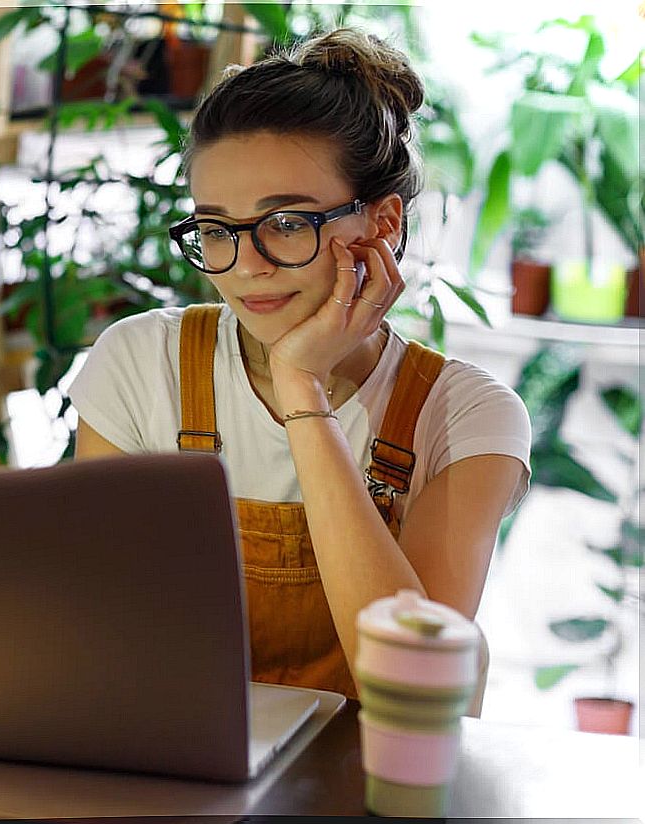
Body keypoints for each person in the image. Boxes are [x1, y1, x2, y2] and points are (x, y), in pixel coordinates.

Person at [68, 28, 531, 699]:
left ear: (385, 225)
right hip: (182, 771)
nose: (246, 265)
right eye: (215, 229)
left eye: (285, 223)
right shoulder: (143, 363)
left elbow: (415, 683)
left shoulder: (464, 415)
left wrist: (302, 390)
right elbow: (98, 630)